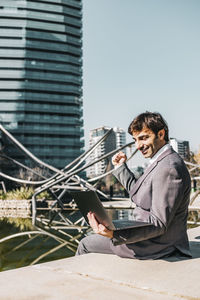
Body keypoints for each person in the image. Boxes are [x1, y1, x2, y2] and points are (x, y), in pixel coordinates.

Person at [76, 112, 191, 259]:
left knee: (85, 244)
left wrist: (116, 234)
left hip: (156, 244)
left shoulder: (168, 168)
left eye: (143, 138)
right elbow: (141, 194)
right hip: (148, 236)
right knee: (109, 225)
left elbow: (158, 223)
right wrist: (120, 168)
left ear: (161, 134)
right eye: (135, 140)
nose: (138, 146)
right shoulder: (160, 161)